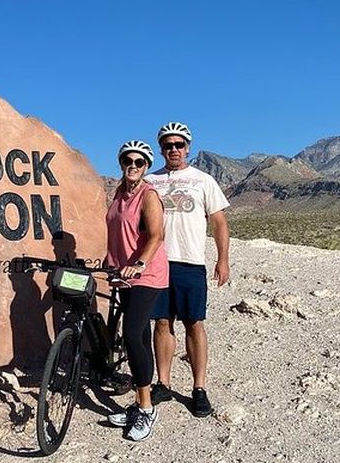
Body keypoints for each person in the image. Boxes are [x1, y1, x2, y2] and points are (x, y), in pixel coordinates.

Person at [145, 122, 230, 417]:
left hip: (191, 261)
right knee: (162, 322)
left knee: (194, 322)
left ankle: (199, 388)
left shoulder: (203, 180)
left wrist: (223, 259)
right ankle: (164, 383)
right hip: (157, 262)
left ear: (188, 148)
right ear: (161, 149)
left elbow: (219, 221)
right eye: (168, 145)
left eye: (179, 145)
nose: (174, 150)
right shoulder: (149, 181)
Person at [104, 140, 169, 441]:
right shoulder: (118, 194)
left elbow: (156, 235)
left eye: (139, 162)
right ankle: (138, 403)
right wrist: (111, 262)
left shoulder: (148, 195)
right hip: (122, 273)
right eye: (128, 161)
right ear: (121, 164)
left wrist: (139, 263)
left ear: (146, 166)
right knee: (140, 336)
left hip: (147, 274)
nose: (133, 165)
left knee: (131, 334)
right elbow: (119, 234)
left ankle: (146, 407)